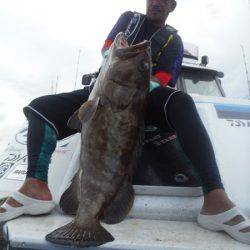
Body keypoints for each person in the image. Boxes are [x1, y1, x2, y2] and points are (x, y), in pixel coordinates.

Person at [0, 0, 249, 245]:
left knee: (182, 102)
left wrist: (132, 83)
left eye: (164, 0)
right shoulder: (128, 19)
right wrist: (118, 69)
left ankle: (216, 199)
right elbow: (108, 47)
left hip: (141, 96)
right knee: (39, 107)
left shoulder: (174, 41)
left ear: (172, 6)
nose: (157, 3)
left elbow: (164, 78)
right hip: (102, 90)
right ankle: (35, 186)